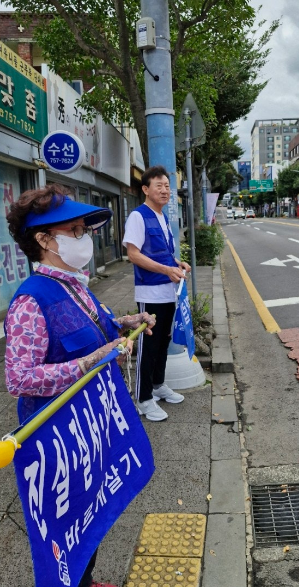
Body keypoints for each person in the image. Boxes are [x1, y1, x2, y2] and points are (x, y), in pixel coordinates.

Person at [4, 184, 155, 587]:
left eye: (83, 229)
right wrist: (90, 361)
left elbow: (101, 324)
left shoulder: (76, 287)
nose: (84, 237)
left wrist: (130, 321)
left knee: (89, 512)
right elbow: (18, 377)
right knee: (61, 527)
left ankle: (83, 585)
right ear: (45, 240)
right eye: (73, 229)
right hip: (56, 440)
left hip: (90, 427)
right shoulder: (32, 299)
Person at [123, 165, 191, 422]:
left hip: (168, 291)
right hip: (149, 293)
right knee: (149, 345)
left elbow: (161, 252)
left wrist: (177, 263)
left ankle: (159, 385)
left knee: (163, 341)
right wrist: (166, 269)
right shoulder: (138, 216)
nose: (164, 191)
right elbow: (133, 254)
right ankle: (143, 398)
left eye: (167, 187)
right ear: (145, 189)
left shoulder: (162, 217)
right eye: (159, 186)